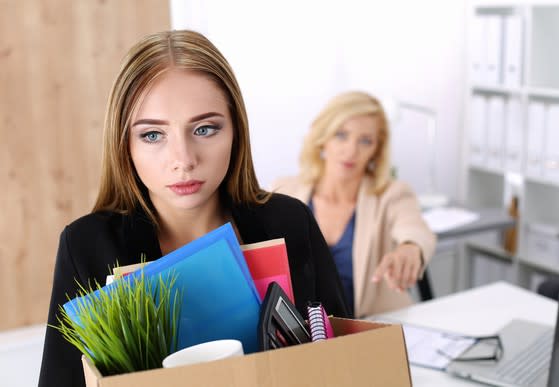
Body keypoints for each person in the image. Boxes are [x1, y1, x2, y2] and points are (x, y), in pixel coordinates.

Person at [38, 30, 350, 387]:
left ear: (235, 130)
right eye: (153, 135)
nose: (183, 161)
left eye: (204, 129)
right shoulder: (86, 245)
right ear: (124, 144)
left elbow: (348, 356)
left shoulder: (289, 221)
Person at [272, 91, 436, 318]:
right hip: (304, 337)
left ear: (376, 151)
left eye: (365, 141)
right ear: (323, 138)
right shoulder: (284, 191)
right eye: (341, 135)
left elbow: (416, 230)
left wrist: (410, 248)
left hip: (371, 331)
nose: (351, 151)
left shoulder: (391, 194)